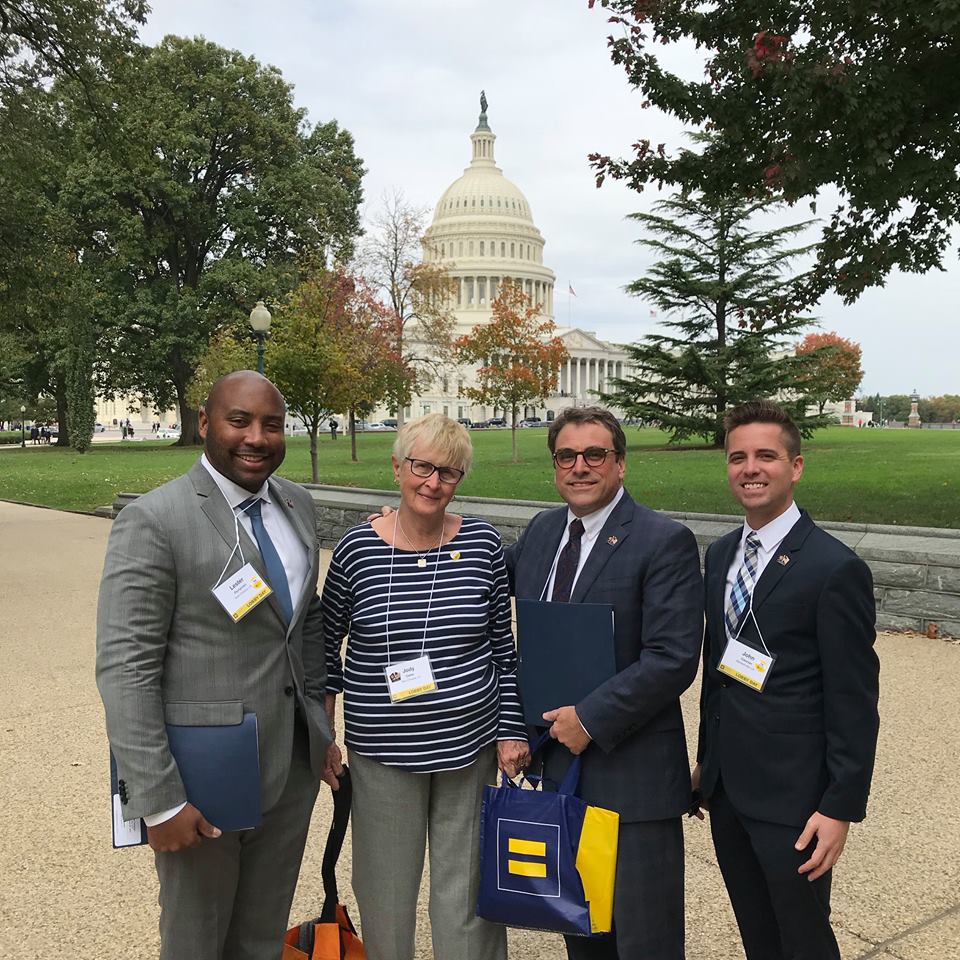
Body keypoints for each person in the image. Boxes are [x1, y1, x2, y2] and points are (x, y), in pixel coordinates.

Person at [96, 370, 337, 960]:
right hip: (202, 778)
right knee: (197, 940)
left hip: (289, 768)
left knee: (260, 936)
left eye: (272, 424)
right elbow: (125, 667)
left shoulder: (296, 505)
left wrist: (320, 729)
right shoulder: (156, 519)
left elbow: (302, 624)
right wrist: (158, 799)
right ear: (206, 424)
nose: (257, 437)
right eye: (240, 421)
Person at [322, 413, 529, 960]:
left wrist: (511, 729)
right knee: (385, 891)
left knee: (464, 893)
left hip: (470, 747)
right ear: (397, 467)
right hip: (384, 753)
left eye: (449, 472)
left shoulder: (483, 544)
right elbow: (325, 650)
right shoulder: (356, 551)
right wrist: (323, 732)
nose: (433, 482)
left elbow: (503, 650)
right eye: (422, 467)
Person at [507, 405, 703, 960]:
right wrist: (412, 523)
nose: (580, 466)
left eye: (595, 454)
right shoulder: (544, 532)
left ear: (620, 464)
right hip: (562, 770)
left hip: (634, 779)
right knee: (584, 934)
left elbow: (672, 658)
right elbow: (485, 573)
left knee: (645, 940)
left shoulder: (663, 541)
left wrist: (590, 719)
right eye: (566, 456)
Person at [692, 400, 880, 960]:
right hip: (727, 789)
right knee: (757, 934)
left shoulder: (834, 568)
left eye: (766, 456)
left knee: (802, 940)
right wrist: (708, 758)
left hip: (795, 800)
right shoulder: (722, 554)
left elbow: (854, 698)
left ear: (795, 467)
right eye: (738, 457)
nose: (750, 468)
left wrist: (840, 806)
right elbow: (720, 670)